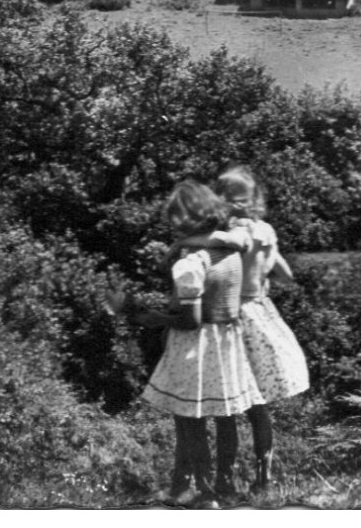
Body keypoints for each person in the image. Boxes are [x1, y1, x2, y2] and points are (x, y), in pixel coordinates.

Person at [128, 179, 262, 508]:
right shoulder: (233, 252)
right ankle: (225, 487)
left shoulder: (190, 264)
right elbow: (240, 238)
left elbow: (191, 320)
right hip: (227, 344)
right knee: (226, 418)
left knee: (191, 421)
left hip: (196, 348)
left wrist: (157, 318)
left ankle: (202, 493)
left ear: (186, 218)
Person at [210, 165, 309, 493]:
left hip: (231, 318)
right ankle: (263, 477)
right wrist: (262, 270)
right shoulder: (265, 231)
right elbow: (286, 274)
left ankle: (225, 478)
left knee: (227, 406)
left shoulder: (229, 236)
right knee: (257, 407)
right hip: (260, 314)